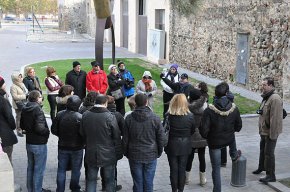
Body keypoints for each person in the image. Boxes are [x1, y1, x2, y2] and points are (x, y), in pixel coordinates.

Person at [199, 82, 242, 192]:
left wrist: (209, 136)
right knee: (217, 168)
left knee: (216, 169)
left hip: (214, 143)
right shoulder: (234, 108)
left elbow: (203, 132)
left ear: (215, 94)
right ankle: (233, 154)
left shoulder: (209, 110)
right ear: (227, 93)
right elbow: (238, 127)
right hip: (228, 139)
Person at [122, 93, 164, 192]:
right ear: (146, 102)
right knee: (148, 181)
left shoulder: (129, 118)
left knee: (138, 182)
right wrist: (159, 151)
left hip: (135, 154)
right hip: (150, 154)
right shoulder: (155, 118)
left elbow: (125, 139)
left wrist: (126, 152)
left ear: (135, 103)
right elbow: (161, 138)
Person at [81, 94, 121, 192]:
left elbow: (81, 132)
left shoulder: (86, 114)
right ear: (106, 103)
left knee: (91, 180)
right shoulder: (110, 116)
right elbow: (116, 136)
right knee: (109, 181)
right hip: (108, 153)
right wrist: (119, 152)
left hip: (90, 151)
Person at [252, 77, 283, 183]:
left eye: (264, 85)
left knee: (269, 153)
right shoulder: (266, 97)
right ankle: (262, 167)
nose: (262, 87)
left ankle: (271, 175)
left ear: (270, 85)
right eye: (262, 84)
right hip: (264, 131)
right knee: (262, 150)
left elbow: (275, 119)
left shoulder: (275, 99)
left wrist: (272, 135)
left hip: (270, 132)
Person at [51, 95, 84, 192]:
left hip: (63, 146)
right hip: (77, 147)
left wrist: (62, 136)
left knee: (61, 169)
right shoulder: (80, 117)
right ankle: (75, 188)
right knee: (76, 170)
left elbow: (54, 130)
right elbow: (83, 133)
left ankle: (60, 189)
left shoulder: (60, 114)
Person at [20, 90, 51, 192]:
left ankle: (31, 189)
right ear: (37, 98)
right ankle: (37, 189)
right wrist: (47, 131)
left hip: (29, 142)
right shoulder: (38, 110)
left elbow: (22, 126)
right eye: (40, 97)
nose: (42, 98)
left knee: (31, 167)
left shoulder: (25, 108)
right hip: (39, 143)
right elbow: (40, 128)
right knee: (39, 169)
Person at [165, 94, 195, 192]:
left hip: (172, 145)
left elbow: (164, 130)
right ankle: (180, 190)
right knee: (182, 169)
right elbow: (192, 130)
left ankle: (174, 190)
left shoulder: (168, 116)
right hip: (185, 145)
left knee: (173, 169)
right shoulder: (190, 116)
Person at [100, 95, 124, 191]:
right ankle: (112, 184)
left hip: (102, 143)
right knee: (113, 166)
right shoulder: (118, 115)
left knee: (103, 165)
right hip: (114, 145)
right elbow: (123, 129)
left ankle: (104, 185)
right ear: (114, 103)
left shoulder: (101, 114)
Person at [185, 89, 207, 186]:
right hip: (202, 134)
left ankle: (186, 179)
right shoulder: (206, 107)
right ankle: (202, 180)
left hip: (192, 135)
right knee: (202, 157)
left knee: (190, 157)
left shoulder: (187, 108)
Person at [0, 76, 18, 164]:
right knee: (7, 164)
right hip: (4, 137)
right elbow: (9, 117)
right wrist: (13, 127)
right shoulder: (3, 101)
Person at [10, 72, 28, 137]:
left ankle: (23, 128)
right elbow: (15, 97)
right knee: (19, 117)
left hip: (24, 102)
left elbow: (26, 91)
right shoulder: (13, 87)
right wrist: (25, 96)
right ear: (15, 79)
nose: (21, 78)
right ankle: (18, 130)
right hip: (18, 104)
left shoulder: (22, 84)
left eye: (21, 77)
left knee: (24, 116)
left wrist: (27, 94)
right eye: (19, 77)